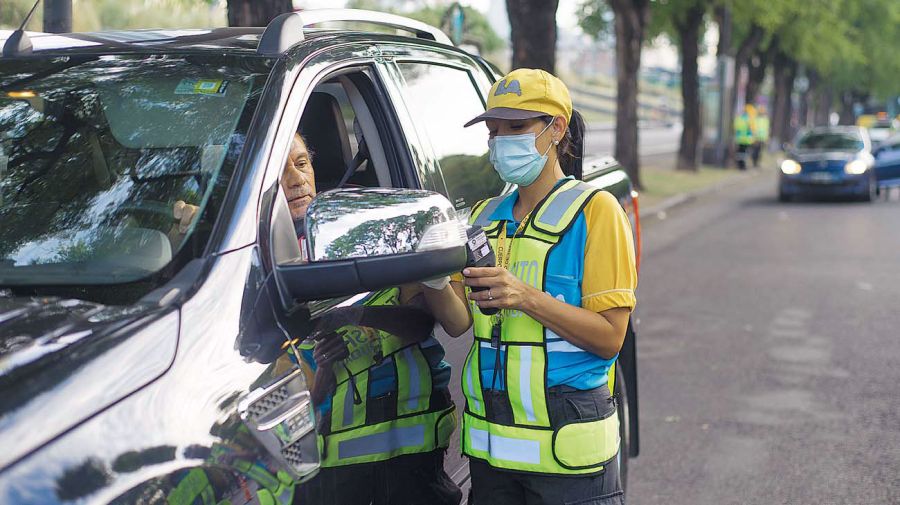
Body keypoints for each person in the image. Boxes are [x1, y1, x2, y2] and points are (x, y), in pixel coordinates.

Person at [456, 68, 637, 505]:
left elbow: (610, 337)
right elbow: (458, 320)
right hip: (493, 456)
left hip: (570, 458)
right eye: (493, 130)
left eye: (516, 127)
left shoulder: (597, 212)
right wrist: (425, 276)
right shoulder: (482, 217)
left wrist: (526, 297)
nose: (500, 141)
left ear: (556, 128)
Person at [280, 132, 471, 505]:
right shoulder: (247, 261)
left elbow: (420, 323)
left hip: (407, 451)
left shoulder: (368, 228)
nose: (296, 179)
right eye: (279, 173)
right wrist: (323, 369)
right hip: (321, 463)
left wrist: (356, 314)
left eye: (302, 164)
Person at [734, 104, 756, 170]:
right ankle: (743, 166)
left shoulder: (739, 118)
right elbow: (751, 129)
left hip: (739, 139)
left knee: (740, 153)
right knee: (744, 153)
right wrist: (752, 138)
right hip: (746, 139)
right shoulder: (749, 119)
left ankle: (740, 165)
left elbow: (736, 128)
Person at [753, 104, 770, 168]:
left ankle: (757, 163)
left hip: (762, 138)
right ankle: (755, 162)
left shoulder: (765, 120)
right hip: (756, 138)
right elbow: (754, 128)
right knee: (756, 151)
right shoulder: (756, 119)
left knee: (759, 152)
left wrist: (766, 138)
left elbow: (766, 129)